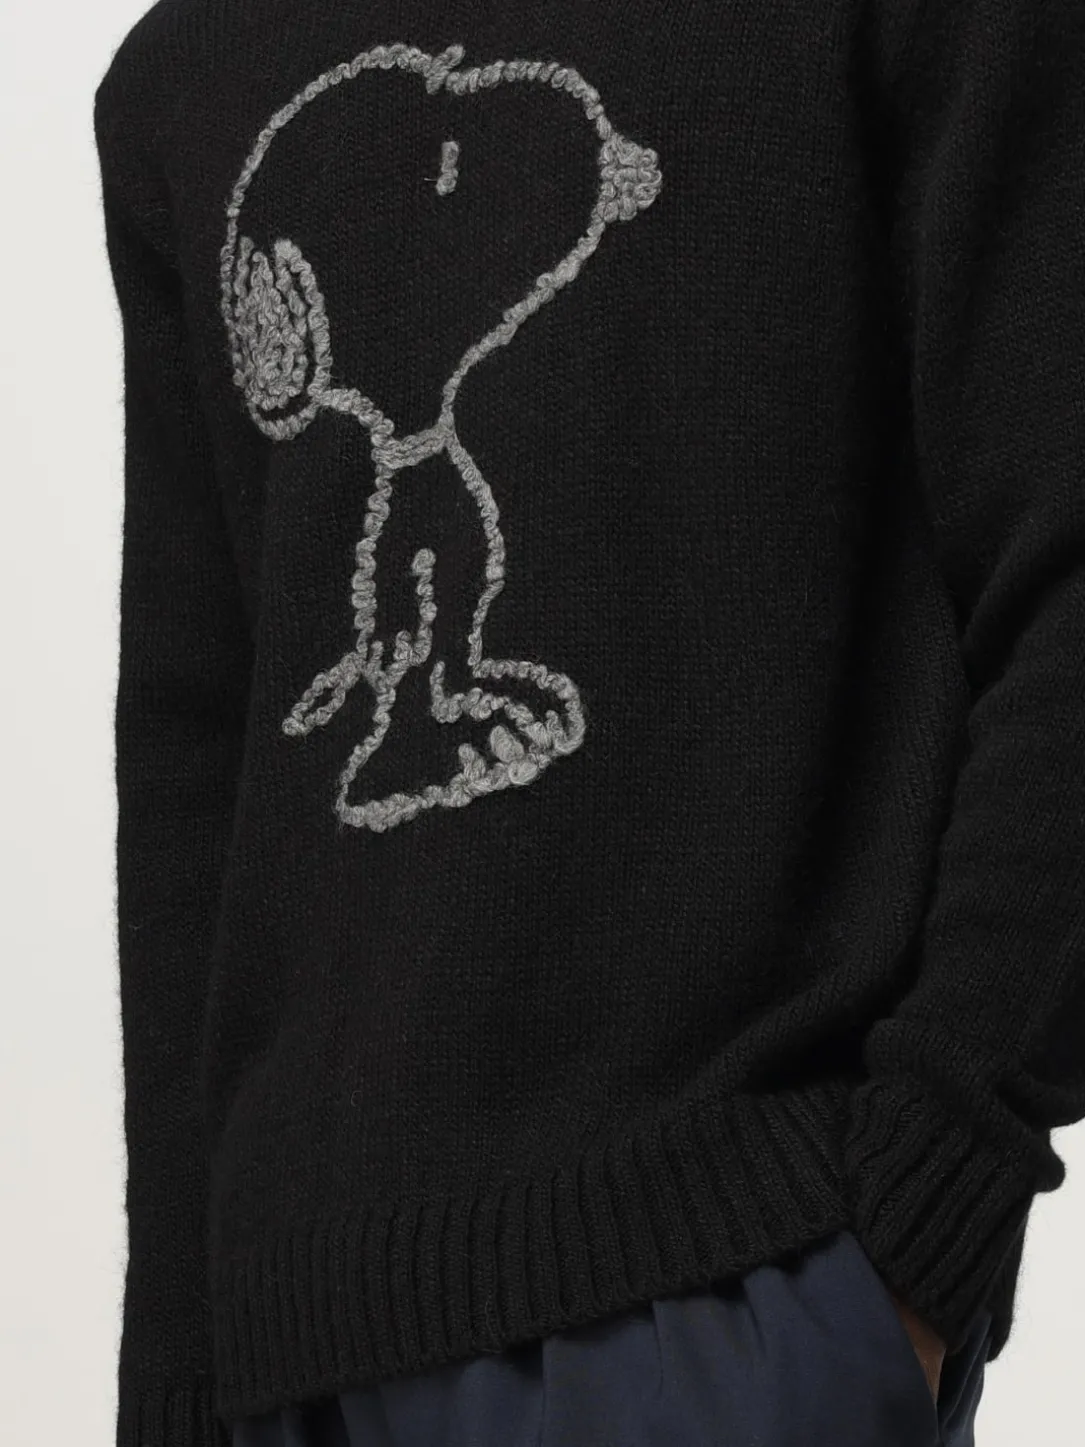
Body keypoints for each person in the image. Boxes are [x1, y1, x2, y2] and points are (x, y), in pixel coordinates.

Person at [93, 1, 1085, 1444]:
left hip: (730, 1291)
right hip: (288, 1355)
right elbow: (196, 765)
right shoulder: (182, 73)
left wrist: (931, 1190)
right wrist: (178, 1377)